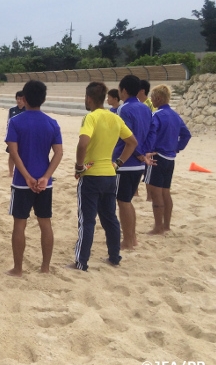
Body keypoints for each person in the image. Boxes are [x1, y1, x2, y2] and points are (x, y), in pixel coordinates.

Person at [71, 82, 138, 271]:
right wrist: (119, 162)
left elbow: (83, 144)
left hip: (92, 175)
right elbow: (132, 142)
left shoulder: (90, 117)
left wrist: (78, 166)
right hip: (110, 174)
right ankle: (114, 256)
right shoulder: (114, 118)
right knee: (110, 218)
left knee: (87, 220)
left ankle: (81, 261)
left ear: (89, 98)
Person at [5, 80, 62, 276]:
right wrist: (46, 177)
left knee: (19, 224)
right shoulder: (51, 123)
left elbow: (14, 153)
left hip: (22, 182)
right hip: (44, 183)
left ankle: (18, 268)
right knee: (45, 223)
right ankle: (45, 267)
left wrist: (27, 177)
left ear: (25, 98)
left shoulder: (16, 121)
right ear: (43, 99)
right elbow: (58, 153)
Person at [143, 84, 191, 235]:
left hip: (157, 156)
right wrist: (176, 147)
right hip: (170, 157)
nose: (151, 100)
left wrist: (147, 151)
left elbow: (151, 134)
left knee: (155, 193)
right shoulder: (175, 115)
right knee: (166, 192)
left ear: (158, 98)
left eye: (152, 98)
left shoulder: (157, 115)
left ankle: (158, 227)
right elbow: (186, 134)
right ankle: (166, 225)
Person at [114, 75, 153, 250]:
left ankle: (128, 240)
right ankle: (133, 237)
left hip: (127, 161)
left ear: (124, 90)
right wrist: (144, 152)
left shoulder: (124, 109)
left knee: (123, 202)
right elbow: (151, 132)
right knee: (127, 200)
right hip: (139, 162)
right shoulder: (145, 108)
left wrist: (137, 152)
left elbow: (127, 135)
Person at [6, 91, 26, 176]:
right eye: (18, 98)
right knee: (12, 154)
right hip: (14, 135)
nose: (19, 101)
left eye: (21, 99)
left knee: (24, 154)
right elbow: (8, 123)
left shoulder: (27, 110)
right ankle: (11, 172)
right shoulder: (12, 110)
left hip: (24, 135)